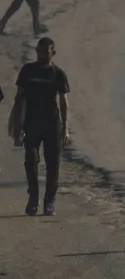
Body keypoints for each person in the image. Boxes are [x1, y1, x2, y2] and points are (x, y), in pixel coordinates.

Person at [11, 37, 70, 216]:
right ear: (36, 51)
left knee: (53, 164)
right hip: (32, 123)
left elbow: (63, 101)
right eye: (40, 51)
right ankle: (33, 198)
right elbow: (19, 97)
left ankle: (49, 201)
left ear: (53, 53)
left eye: (46, 51)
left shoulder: (58, 74)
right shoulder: (28, 71)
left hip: (52, 124)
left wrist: (65, 128)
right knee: (31, 161)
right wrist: (15, 123)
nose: (42, 54)